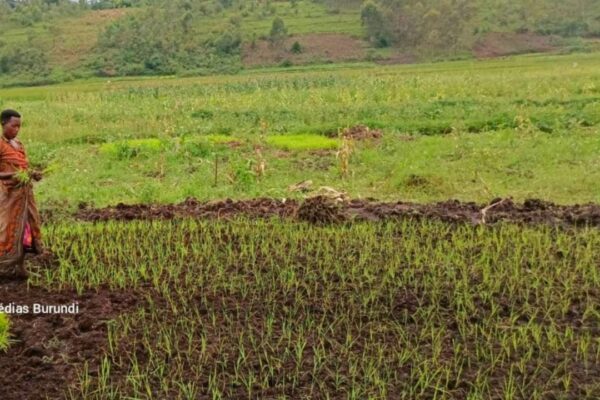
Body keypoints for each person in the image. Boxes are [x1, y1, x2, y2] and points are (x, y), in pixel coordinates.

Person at [0, 109, 43, 279]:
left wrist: (33, 174)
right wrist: (12, 175)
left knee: (26, 230)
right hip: (9, 195)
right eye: (13, 126)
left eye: (19, 126)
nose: (17, 129)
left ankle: (20, 267)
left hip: (25, 196)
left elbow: (23, 168)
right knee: (6, 230)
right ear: (3, 124)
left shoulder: (19, 144)